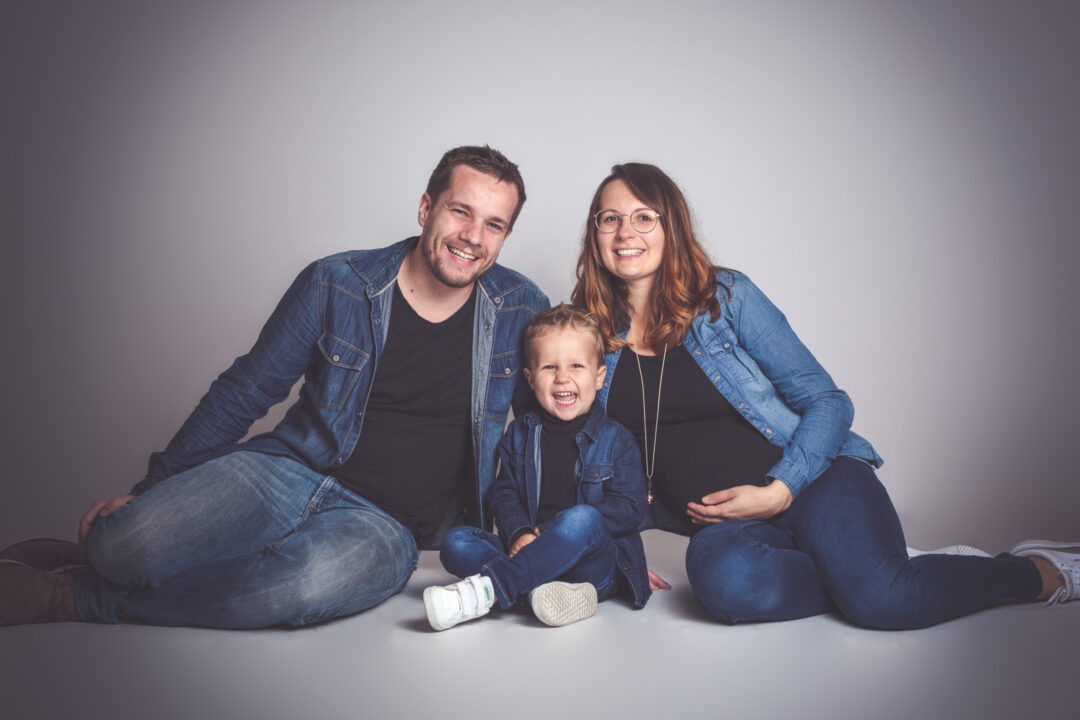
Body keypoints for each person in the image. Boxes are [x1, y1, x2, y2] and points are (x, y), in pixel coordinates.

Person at [0, 145, 549, 628]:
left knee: (297, 588)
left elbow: (536, 434)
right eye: (460, 211)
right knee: (123, 546)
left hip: (386, 526)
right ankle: (100, 562)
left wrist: (533, 535)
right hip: (286, 473)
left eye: (494, 225)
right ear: (427, 207)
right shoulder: (336, 282)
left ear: (505, 235)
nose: (473, 237)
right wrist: (154, 491)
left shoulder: (522, 309)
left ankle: (78, 598)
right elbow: (245, 390)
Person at [570, 162, 1078, 629]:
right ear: (595, 233)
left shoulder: (725, 298)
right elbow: (577, 448)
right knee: (725, 581)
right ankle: (870, 568)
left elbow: (829, 402)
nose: (626, 232)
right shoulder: (586, 333)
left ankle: (1036, 572)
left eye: (644, 217)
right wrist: (609, 545)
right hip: (730, 528)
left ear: (672, 227)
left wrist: (779, 490)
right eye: (610, 219)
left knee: (882, 602)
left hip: (814, 483)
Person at [424, 304, 650, 630]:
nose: (562, 377)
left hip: (590, 566)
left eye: (576, 366)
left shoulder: (617, 440)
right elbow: (505, 493)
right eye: (549, 367)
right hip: (527, 549)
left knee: (583, 518)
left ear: (599, 377)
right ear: (530, 378)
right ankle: (538, 593)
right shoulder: (519, 433)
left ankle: (489, 590)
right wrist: (520, 532)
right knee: (457, 542)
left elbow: (630, 509)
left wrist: (545, 533)